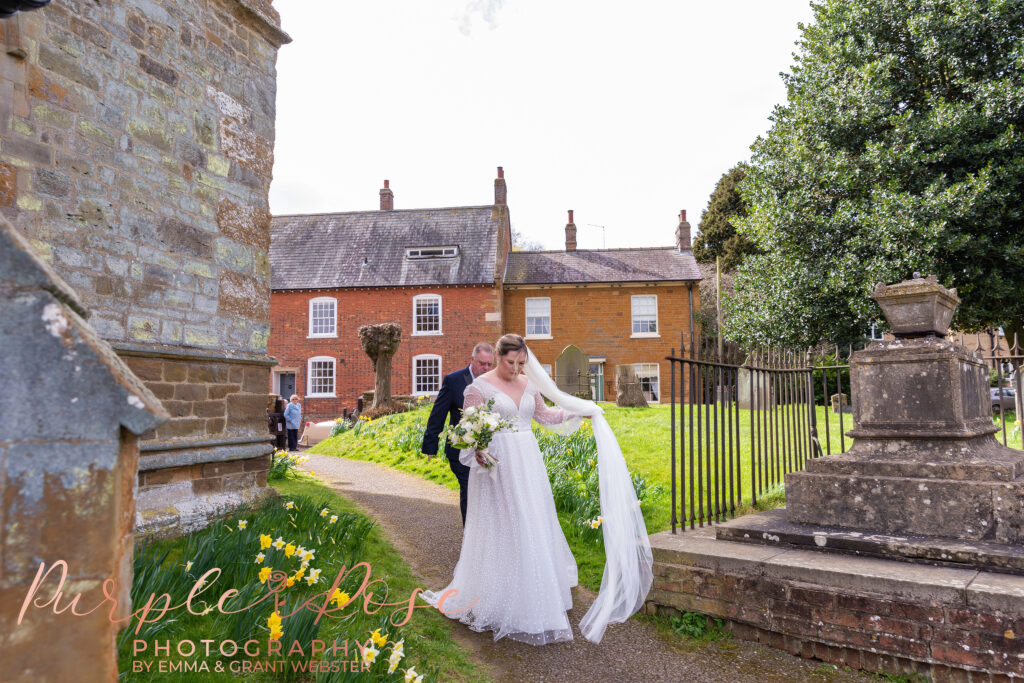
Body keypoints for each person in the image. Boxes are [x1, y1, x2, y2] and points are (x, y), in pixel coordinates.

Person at [421, 334, 653, 645]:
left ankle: (534, 592)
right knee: (505, 526)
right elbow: (467, 431)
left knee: (532, 522)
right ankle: (500, 594)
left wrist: (576, 410)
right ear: (498, 356)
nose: (516, 369)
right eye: (510, 362)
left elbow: (544, 416)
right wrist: (478, 452)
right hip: (497, 468)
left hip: (528, 465)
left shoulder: (528, 384)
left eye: (521, 363)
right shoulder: (477, 389)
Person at [421, 342, 494, 525]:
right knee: (469, 492)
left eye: (489, 364)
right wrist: (431, 446)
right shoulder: (453, 380)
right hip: (461, 451)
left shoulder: (495, 382)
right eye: (482, 363)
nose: (485, 368)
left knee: (486, 496)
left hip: (489, 452)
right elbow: (438, 414)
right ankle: (470, 540)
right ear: (472, 360)